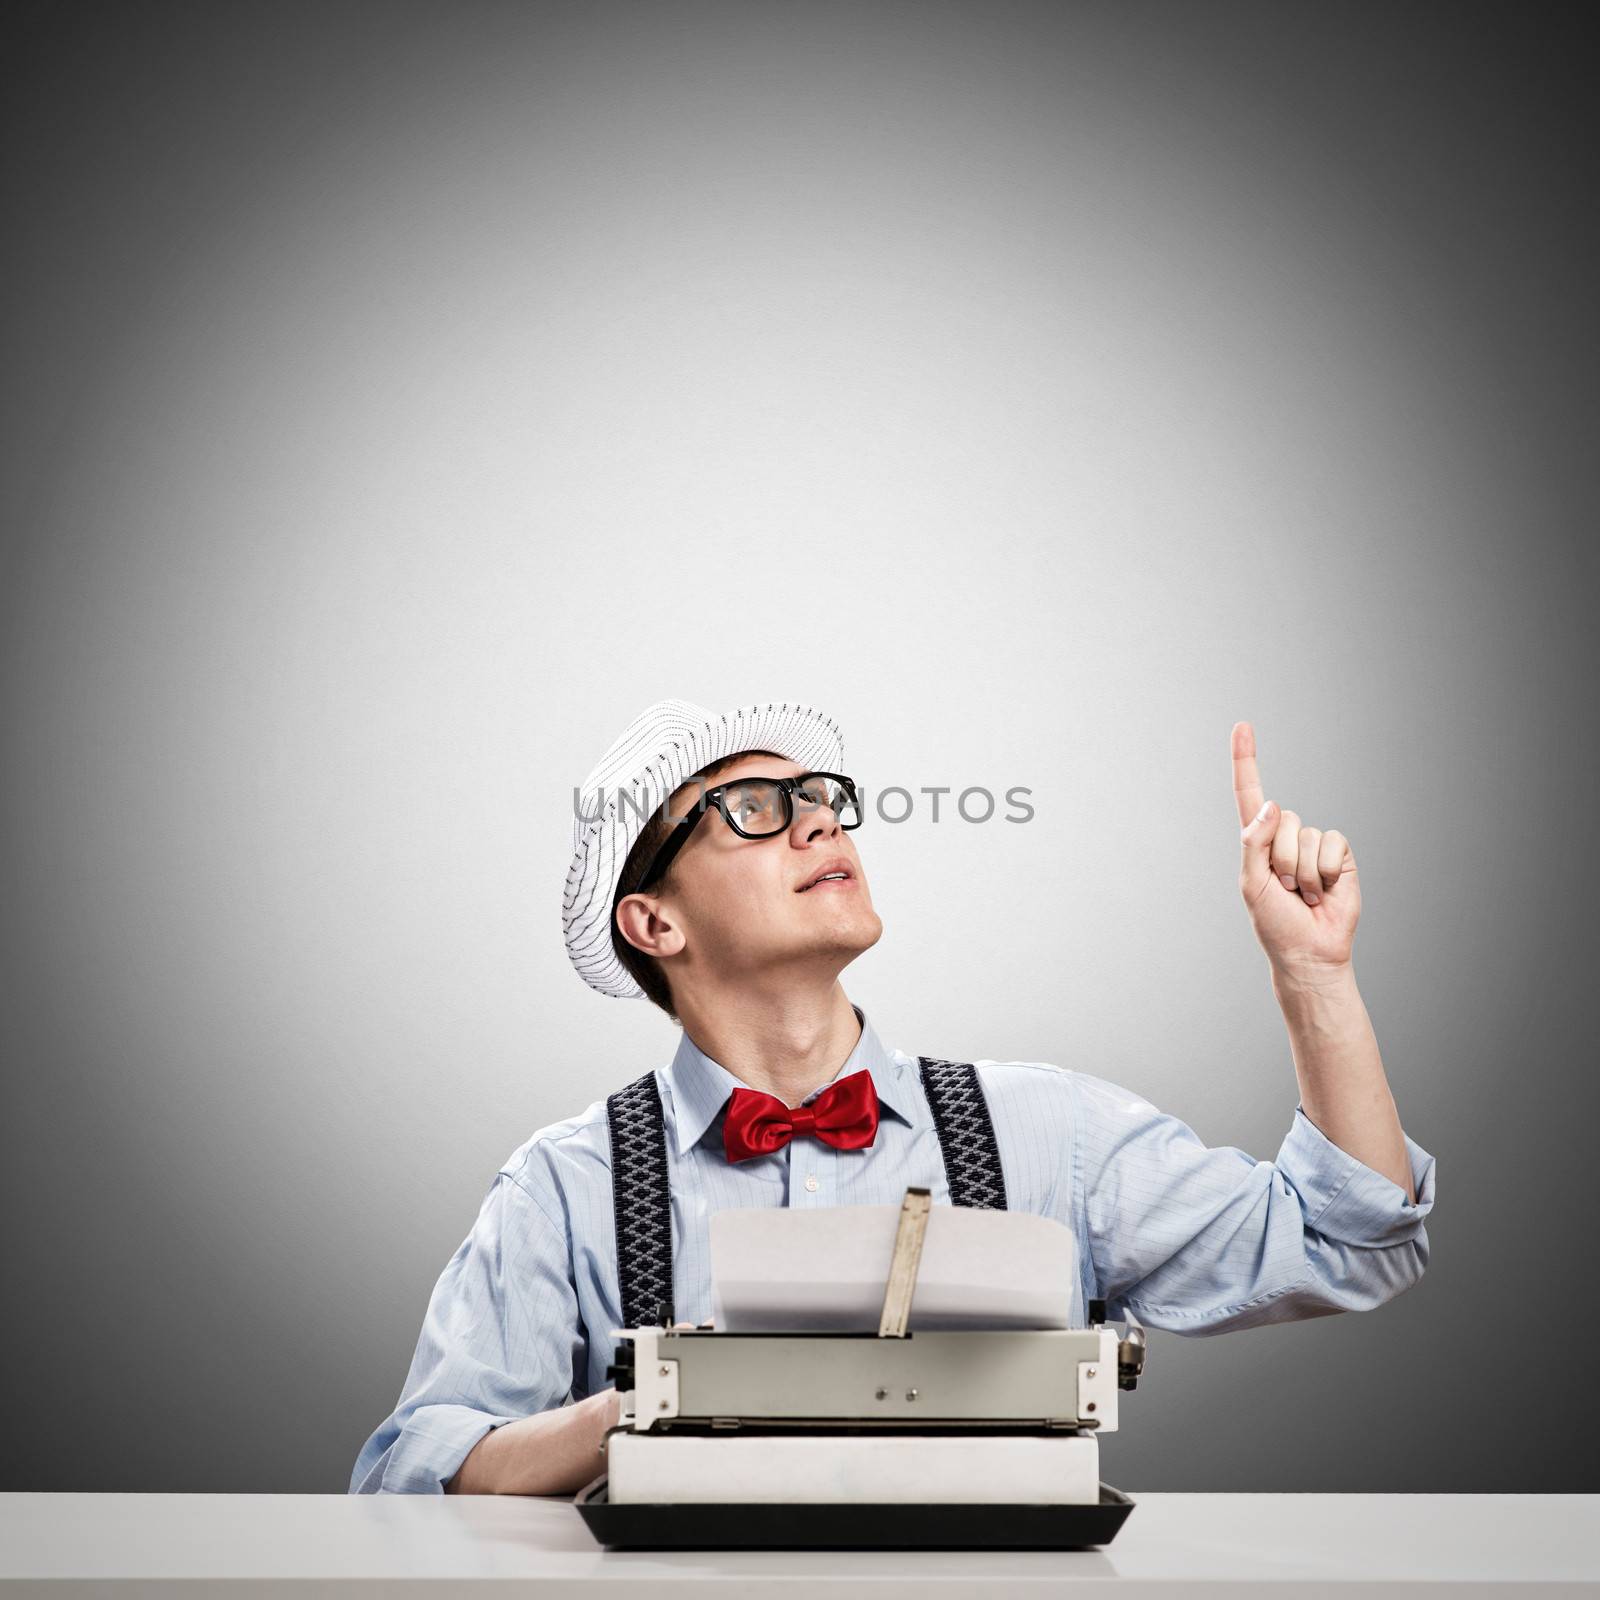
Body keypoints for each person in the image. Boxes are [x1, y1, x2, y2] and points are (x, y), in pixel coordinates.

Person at [349, 697, 1434, 1496]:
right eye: (757, 808)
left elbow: (1346, 1241)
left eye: (822, 800)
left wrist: (1312, 974)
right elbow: (409, 1476)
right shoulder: (567, 1184)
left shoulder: (1042, 1132)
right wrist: (649, 1397)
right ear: (654, 923)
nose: (821, 823)